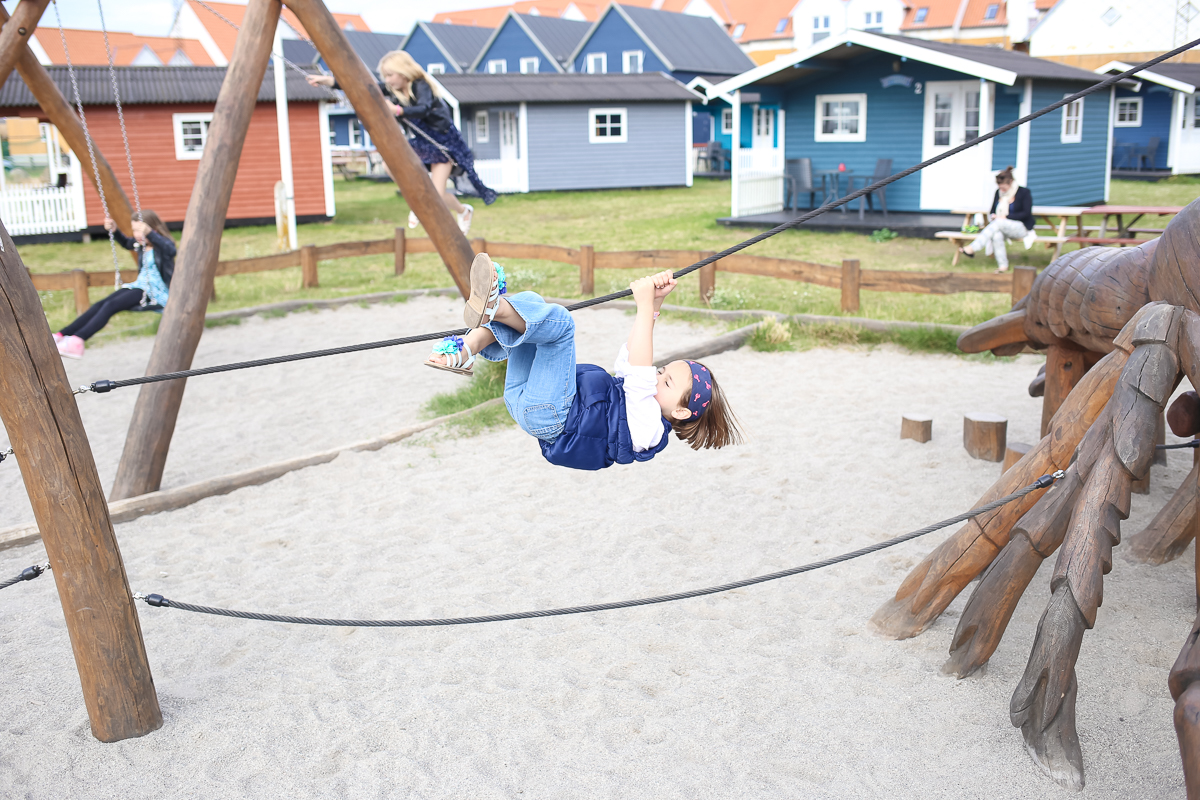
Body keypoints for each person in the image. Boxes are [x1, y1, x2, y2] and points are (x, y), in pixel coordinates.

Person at [424, 254, 742, 470]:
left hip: (553, 415)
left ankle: (496, 309)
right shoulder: (636, 401)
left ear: (681, 411)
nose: (658, 376)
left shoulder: (650, 431)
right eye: (663, 371)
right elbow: (631, 362)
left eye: (668, 381)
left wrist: (644, 307)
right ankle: (468, 347)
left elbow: (640, 375)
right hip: (526, 402)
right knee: (533, 305)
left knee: (561, 325)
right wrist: (654, 307)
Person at [307, 51, 497, 234]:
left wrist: (398, 111)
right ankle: (417, 200)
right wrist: (330, 81)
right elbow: (365, 87)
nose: (387, 80)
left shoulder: (420, 85)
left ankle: (463, 211)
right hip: (423, 142)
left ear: (404, 71)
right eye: (385, 76)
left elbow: (424, 108)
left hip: (443, 143)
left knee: (437, 194)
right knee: (390, 162)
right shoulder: (393, 89)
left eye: (390, 75)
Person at [55, 211, 175, 359]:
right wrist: (115, 230)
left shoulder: (162, 246)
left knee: (111, 306)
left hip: (155, 292)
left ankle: (77, 341)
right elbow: (126, 242)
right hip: (139, 286)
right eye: (134, 230)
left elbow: (171, 249)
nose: (136, 234)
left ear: (153, 229)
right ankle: (62, 335)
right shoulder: (141, 244)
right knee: (102, 303)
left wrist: (150, 233)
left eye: (140, 230)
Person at [958, 166, 1036, 273]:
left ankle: (973, 247)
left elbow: (1026, 213)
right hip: (1001, 225)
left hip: (1021, 227)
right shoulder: (998, 193)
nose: (1002, 190)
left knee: (999, 222)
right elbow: (992, 211)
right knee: (996, 235)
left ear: (1011, 182)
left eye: (1004, 188)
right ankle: (1003, 266)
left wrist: (1006, 217)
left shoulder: (1024, 193)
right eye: (1000, 188)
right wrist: (994, 215)